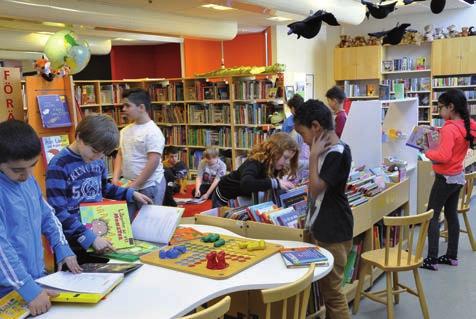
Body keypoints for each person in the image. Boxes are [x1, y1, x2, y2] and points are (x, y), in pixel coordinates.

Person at [0, 120, 81, 317]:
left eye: (33, 166)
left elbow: (47, 214)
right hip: (8, 289)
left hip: (34, 280)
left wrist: (61, 246)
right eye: (18, 170)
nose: (27, 175)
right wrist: (28, 289)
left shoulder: (29, 182)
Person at [46, 115, 152, 264]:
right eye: (95, 151)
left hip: (99, 235)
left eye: (102, 154)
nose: (98, 157)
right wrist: (89, 238)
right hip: (74, 244)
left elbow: (104, 188)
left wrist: (130, 193)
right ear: (79, 137)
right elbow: (58, 211)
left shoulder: (97, 160)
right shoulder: (59, 165)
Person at [294, 99, 353, 319]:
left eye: (303, 134)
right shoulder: (330, 150)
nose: (304, 141)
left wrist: (312, 157)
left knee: (333, 295)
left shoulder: (336, 152)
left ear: (316, 127)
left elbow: (316, 189)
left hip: (334, 230)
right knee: (328, 291)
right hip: (324, 225)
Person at [422, 88, 476, 270]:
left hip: (444, 178)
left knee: (432, 215)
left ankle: (431, 259)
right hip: (457, 176)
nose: (439, 111)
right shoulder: (467, 125)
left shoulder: (450, 129)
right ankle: (452, 255)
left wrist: (425, 151)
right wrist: (438, 131)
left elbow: (443, 156)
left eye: (441, 107)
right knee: (451, 215)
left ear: (451, 107)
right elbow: (454, 145)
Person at [112, 88, 166, 218]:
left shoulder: (153, 132)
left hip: (149, 185)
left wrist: (135, 185)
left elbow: (153, 161)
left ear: (141, 107)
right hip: (128, 185)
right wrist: (115, 178)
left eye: (127, 106)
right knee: (126, 222)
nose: (123, 109)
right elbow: (120, 154)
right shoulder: (125, 130)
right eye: (123, 105)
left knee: (149, 223)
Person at [212, 132, 298, 208]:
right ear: (274, 151)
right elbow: (246, 183)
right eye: (286, 157)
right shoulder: (254, 162)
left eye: (289, 159)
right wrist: (276, 183)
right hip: (224, 196)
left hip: (242, 198)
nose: (287, 162)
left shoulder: (276, 164)